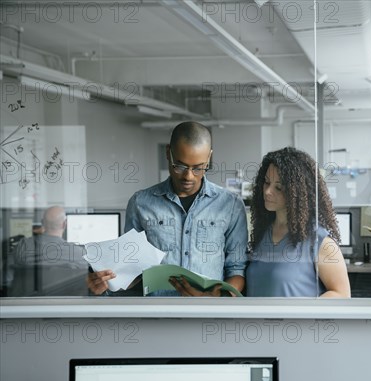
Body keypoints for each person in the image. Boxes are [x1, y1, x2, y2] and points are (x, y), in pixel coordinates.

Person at [86, 121, 248, 296]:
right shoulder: (141, 203)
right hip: (157, 315)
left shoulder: (230, 205)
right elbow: (131, 270)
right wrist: (107, 284)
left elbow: (236, 270)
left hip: (209, 316)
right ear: (168, 153)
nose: (188, 176)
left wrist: (214, 297)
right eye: (180, 166)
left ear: (209, 158)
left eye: (198, 168)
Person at [246, 147, 351, 298]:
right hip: (255, 322)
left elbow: (342, 294)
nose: (268, 191)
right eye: (266, 182)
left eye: (279, 187)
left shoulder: (319, 241)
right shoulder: (263, 233)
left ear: (298, 192)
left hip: (296, 322)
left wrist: (304, 314)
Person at [11, 206, 89, 296]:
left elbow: (9, 275)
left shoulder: (22, 246)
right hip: (64, 306)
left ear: (42, 223)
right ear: (64, 224)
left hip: (26, 305)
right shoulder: (79, 253)